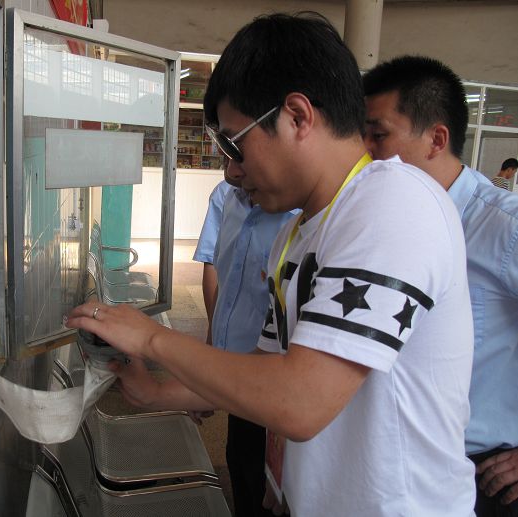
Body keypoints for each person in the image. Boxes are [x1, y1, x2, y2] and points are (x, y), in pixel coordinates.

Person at [68, 13, 475, 516]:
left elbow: (300, 401)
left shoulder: (393, 204)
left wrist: (152, 338)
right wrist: (157, 392)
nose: (232, 172)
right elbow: (265, 371)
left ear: (298, 116)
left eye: (234, 144)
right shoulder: (299, 230)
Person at [363, 55, 518, 517]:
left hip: (482, 472)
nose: (365, 151)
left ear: (436, 139)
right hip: (395, 464)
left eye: (378, 135)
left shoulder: (502, 227)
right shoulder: (383, 220)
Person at [195, 156, 296, 516]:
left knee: (267, 490)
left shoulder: (308, 222)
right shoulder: (229, 196)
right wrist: (212, 362)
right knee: (241, 472)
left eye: (242, 155)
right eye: (226, 154)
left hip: (279, 396)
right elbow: (220, 276)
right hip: (238, 383)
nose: (231, 172)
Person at [193, 178, 232, 344]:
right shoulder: (226, 192)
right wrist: (214, 331)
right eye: (226, 165)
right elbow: (211, 262)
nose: (232, 172)